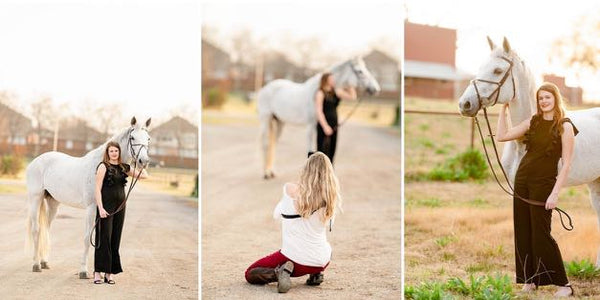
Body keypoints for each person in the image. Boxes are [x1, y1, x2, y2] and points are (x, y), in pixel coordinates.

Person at [496, 82, 578, 297]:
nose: (543, 101)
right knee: (523, 230)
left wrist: (555, 193)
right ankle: (529, 280)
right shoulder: (533, 121)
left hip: (544, 184)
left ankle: (564, 285)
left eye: (547, 97)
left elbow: (567, 164)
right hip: (522, 179)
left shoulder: (565, 125)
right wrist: (503, 111)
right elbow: (502, 136)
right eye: (540, 98)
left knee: (542, 234)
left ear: (555, 99)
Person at [245, 152, 342, 293]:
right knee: (318, 243)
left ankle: (280, 273)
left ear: (306, 169)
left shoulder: (290, 189)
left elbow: (275, 214)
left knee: (250, 273)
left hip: (296, 261)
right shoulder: (330, 197)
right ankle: (316, 273)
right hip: (323, 259)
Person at [93, 141, 148, 284]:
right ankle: (98, 272)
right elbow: (97, 189)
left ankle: (109, 273)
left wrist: (141, 161)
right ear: (107, 153)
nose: (114, 153)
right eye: (111, 151)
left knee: (115, 239)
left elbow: (144, 176)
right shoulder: (103, 166)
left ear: (119, 152)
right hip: (106, 207)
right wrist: (100, 208)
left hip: (120, 208)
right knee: (103, 239)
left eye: (116, 151)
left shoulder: (124, 167)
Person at [314, 72, 357, 163]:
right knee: (322, 151)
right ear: (326, 80)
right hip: (323, 125)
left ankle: (330, 172)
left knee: (332, 150)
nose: (333, 81)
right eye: (331, 79)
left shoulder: (336, 91)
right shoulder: (320, 93)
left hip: (334, 124)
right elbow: (319, 111)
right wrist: (325, 126)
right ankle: (320, 173)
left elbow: (352, 97)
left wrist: (350, 86)